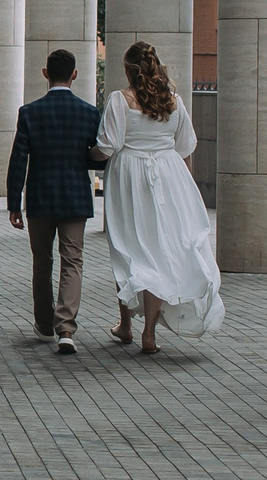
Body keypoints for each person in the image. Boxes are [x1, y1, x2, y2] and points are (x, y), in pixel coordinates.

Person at [92, 40, 225, 354]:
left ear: (129, 70)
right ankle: (148, 333)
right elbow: (185, 147)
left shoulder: (120, 100)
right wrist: (185, 189)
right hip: (168, 177)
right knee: (157, 251)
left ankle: (125, 324)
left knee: (128, 250)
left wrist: (86, 153)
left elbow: (108, 145)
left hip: (129, 178)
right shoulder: (174, 101)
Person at [7, 47, 101, 355]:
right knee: (72, 261)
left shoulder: (29, 112)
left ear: (45, 73)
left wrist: (13, 204)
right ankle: (66, 328)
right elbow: (95, 157)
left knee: (42, 262)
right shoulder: (89, 112)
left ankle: (45, 324)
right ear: (75, 74)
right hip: (75, 197)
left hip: (40, 199)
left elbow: (18, 160)